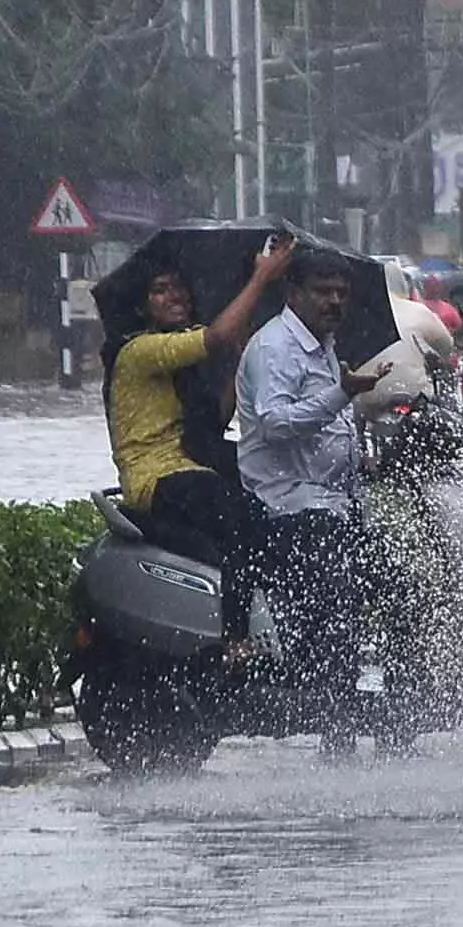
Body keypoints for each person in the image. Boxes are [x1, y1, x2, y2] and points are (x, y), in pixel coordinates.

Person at [107, 238, 294, 637]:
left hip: (190, 465)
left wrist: (238, 368)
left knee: (278, 501)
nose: (173, 296)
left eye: (177, 287)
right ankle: (237, 639)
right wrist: (261, 276)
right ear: (142, 307)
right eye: (160, 290)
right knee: (245, 516)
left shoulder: (181, 363)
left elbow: (214, 422)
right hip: (156, 477)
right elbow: (217, 337)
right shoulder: (141, 351)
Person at [238, 256, 391, 723]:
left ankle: (394, 712)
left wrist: (362, 457)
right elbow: (275, 422)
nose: (335, 301)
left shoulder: (323, 344)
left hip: (332, 502)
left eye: (341, 293)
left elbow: (330, 423)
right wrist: (341, 394)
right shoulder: (275, 348)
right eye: (323, 291)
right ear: (293, 293)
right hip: (289, 506)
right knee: (336, 608)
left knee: (400, 580)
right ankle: (333, 720)